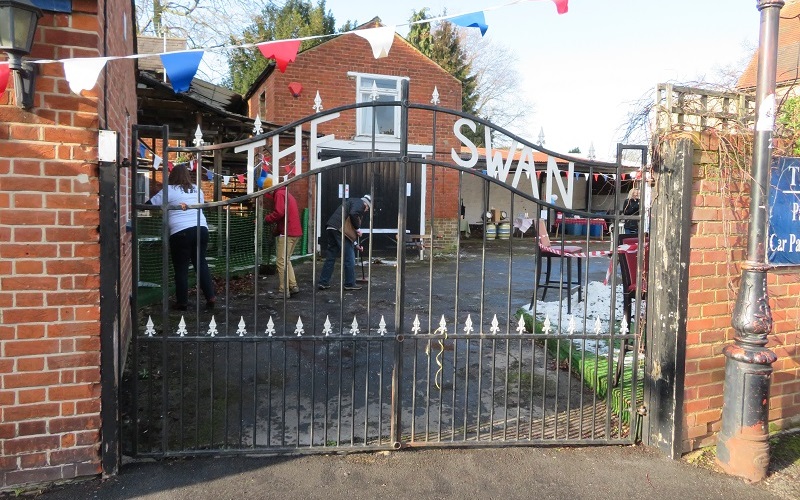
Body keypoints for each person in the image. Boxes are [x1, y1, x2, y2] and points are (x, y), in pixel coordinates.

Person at [147, 164, 216, 311]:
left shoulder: (169, 190)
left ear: (172, 175)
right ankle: (210, 296)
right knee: (201, 263)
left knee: (181, 267)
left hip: (180, 232)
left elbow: (149, 205)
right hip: (201, 229)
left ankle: (182, 302)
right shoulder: (197, 190)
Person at [318, 194, 372, 291]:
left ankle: (323, 282)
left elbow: (349, 231)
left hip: (331, 227)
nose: (366, 210)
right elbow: (353, 214)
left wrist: (356, 244)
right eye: (368, 208)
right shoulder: (359, 203)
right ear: (366, 203)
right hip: (339, 229)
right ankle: (349, 283)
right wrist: (358, 229)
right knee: (349, 258)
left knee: (330, 257)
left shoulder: (350, 203)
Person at [265, 184, 302, 299]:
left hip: (288, 233)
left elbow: (279, 212)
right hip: (295, 231)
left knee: (281, 261)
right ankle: (293, 285)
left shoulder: (279, 194)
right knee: (286, 260)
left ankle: (283, 291)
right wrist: (275, 232)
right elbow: (284, 216)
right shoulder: (286, 193)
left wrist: (267, 219)